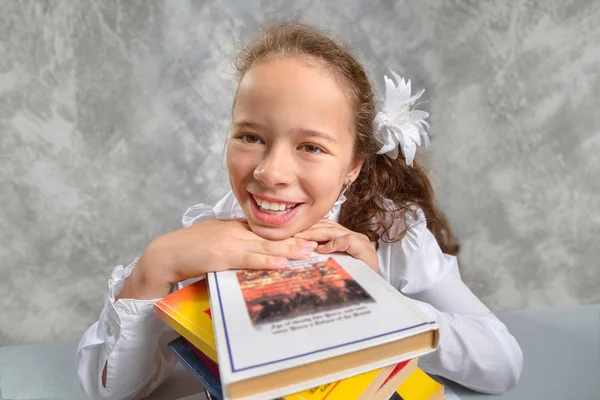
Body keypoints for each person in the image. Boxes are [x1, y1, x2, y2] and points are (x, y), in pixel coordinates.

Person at [76, 20, 523, 400]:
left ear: (351, 166)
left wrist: (381, 305)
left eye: (310, 146)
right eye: (250, 137)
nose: (271, 172)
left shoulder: (391, 234)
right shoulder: (211, 236)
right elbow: (108, 389)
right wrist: (153, 269)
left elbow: (502, 363)